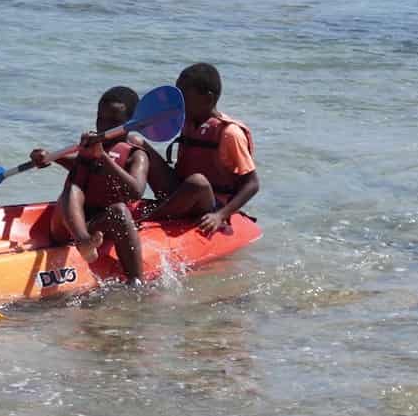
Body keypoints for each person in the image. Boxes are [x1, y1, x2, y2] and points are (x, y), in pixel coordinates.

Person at [29, 86, 149, 281]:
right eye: (101, 118)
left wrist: (103, 157)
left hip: (99, 224)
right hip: (67, 223)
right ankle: (83, 242)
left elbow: (136, 191)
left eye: (114, 122)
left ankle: (136, 281)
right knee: (72, 190)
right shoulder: (88, 145)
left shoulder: (136, 155)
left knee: (120, 210)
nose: (105, 126)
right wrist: (51, 158)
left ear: (131, 124)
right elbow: (82, 168)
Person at [140, 63, 260, 236]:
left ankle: (146, 220)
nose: (178, 103)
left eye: (184, 97)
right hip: (180, 193)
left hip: (209, 202)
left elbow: (252, 183)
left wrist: (220, 215)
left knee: (197, 182)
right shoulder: (187, 122)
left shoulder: (229, 133)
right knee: (137, 142)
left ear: (208, 99)